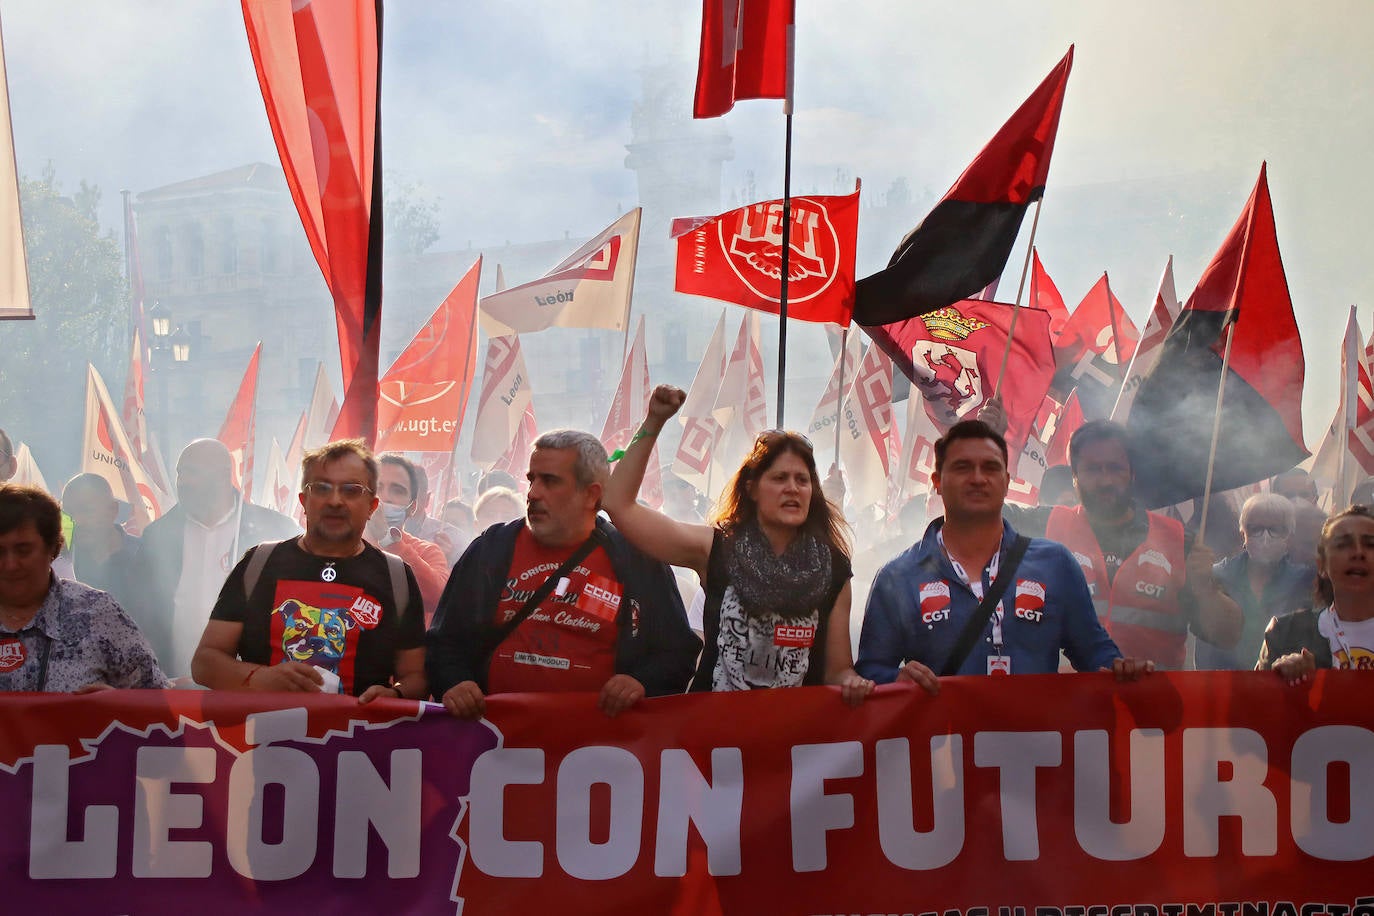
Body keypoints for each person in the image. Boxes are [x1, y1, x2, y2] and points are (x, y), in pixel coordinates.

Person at [603, 385, 874, 704]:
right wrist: (654, 421)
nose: (792, 488)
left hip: (793, 742)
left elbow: (838, 670)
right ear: (752, 488)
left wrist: (855, 682)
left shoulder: (833, 567)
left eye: (802, 480)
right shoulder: (715, 548)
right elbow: (618, 504)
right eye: (779, 478)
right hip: (715, 738)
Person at [856, 420, 1150, 691]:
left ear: (1007, 481)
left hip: (1034, 746)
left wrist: (1120, 668)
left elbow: (1094, 652)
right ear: (936, 481)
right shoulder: (898, 576)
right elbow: (870, 671)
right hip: (942, 746)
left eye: (990, 467)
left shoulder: (1054, 563)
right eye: (962, 467)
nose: (978, 478)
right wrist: (894, 679)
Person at [427, 428, 699, 719]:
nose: (532, 493)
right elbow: (443, 642)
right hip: (495, 748)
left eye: (550, 481)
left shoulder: (636, 558)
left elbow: (678, 652)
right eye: (532, 479)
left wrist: (641, 683)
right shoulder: (490, 551)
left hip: (598, 749)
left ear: (591, 494)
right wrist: (455, 682)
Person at [191, 440, 426, 701]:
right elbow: (205, 662)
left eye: (351, 490)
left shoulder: (397, 577)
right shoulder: (259, 562)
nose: (335, 501)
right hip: (263, 738)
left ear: (372, 506)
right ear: (304, 500)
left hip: (355, 740)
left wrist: (394, 693)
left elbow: (417, 677)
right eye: (322, 488)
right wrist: (257, 677)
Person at [1045, 421, 1242, 670]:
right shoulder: (1046, 527)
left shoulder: (1179, 541)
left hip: (1150, 704)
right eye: (1093, 469)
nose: (1105, 480)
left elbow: (1229, 635)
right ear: (1074, 477)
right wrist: (991, 431)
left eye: (1115, 468)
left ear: (1132, 474)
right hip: (1068, 704)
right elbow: (988, 515)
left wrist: (1206, 589)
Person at [140, 438, 301, 676]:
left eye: (192, 472)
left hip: (247, 689)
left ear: (224, 475)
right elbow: (139, 609)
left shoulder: (276, 530)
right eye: (180, 473)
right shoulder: (157, 535)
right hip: (172, 686)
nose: (183, 482)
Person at [0, 484, 167, 692]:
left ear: (53, 548)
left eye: (23, 550)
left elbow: (158, 700)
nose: (10, 564)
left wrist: (120, 705)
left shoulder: (97, 612)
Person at [1196, 492, 1315, 670]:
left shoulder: (1305, 581)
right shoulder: (1218, 575)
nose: (1265, 536)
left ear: (1289, 535)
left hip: (1281, 683)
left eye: (1276, 529)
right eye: (1255, 529)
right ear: (1242, 532)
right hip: (1222, 683)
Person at [1258, 504, 1374, 683]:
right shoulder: (1285, 633)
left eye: (1370, 544)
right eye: (1343, 545)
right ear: (1321, 566)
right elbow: (1255, 703)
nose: (1358, 553)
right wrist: (1286, 682)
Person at [366, 453, 451, 623]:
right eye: (378, 487)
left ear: (412, 507)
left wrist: (388, 540)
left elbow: (437, 597)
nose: (385, 497)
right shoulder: (341, 545)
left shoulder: (427, 552)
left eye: (397, 490)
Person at [61, 473, 148, 629]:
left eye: (87, 511)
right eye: (68, 513)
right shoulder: (60, 565)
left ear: (113, 510)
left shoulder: (146, 556)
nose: (77, 520)